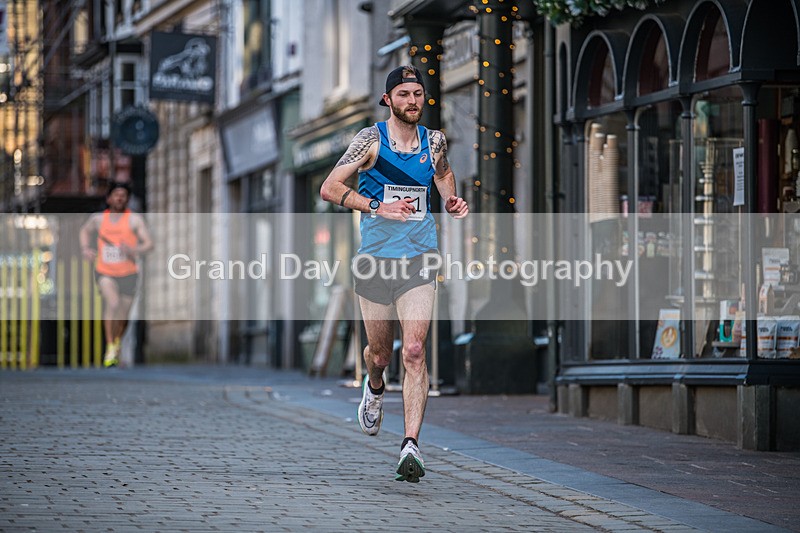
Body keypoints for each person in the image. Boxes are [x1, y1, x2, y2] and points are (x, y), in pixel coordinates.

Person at [320, 65, 469, 482]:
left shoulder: (434, 141)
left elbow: (442, 175)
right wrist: (376, 206)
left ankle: (410, 445)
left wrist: (452, 200)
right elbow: (329, 188)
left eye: (418, 94)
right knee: (381, 354)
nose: (412, 101)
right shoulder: (370, 141)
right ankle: (376, 386)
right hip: (375, 259)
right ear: (388, 99)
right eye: (403, 94)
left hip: (420, 256)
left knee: (416, 351)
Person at [79, 182, 153, 367]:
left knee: (124, 314)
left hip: (128, 272)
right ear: (109, 198)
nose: (119, 198)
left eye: (123, 195)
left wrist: (134, 249)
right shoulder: (98, 219)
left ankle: (116, 340)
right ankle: (111, 346)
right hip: (105, 271)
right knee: (113, 303)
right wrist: (85, 249)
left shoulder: (134, 220)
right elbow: (84, 231)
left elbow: (149, 244)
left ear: (127, 199)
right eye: (116, 194)